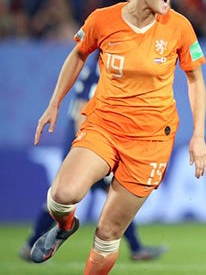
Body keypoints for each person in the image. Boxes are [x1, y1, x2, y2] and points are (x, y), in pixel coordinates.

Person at [29, 0, 206, 274]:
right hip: (105, 125)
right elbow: (78, 55)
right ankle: (65, 226)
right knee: (63, 196)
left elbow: (195, 80)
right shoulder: (102, 20)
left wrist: (198, 135)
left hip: (151, 141)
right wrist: (54, 104)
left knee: (109, 231)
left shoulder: (179, 26)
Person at [19, 52, 167, 263]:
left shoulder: (98, 66)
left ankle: (136, 247)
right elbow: (82, 110)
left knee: (75, 197)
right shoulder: (101, 68)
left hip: (89, 141)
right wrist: (89, 149)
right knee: (74, 195)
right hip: (87, 144)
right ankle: (136, 248)